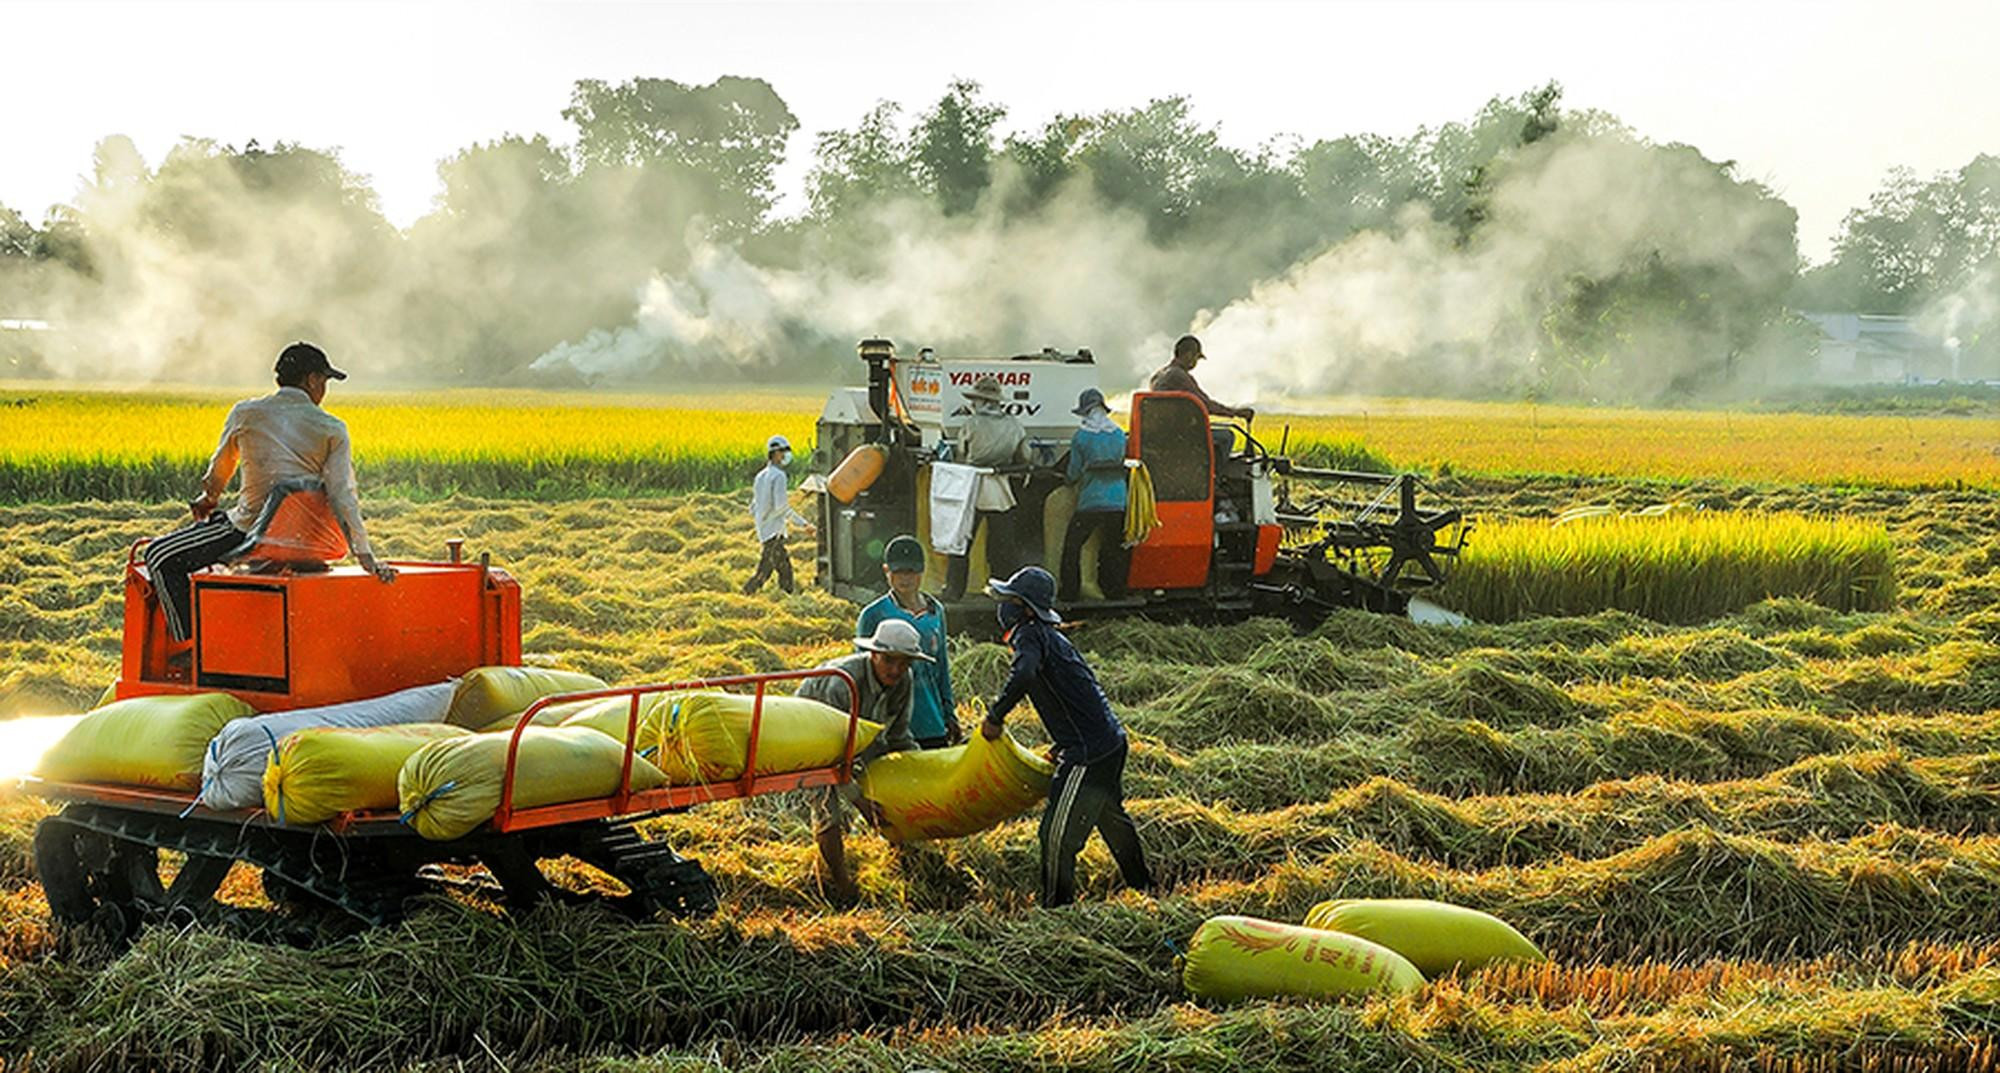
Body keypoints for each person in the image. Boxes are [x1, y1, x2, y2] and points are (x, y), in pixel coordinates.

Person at [143, 341, 395, 645]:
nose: (324, 389)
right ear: (312, 379)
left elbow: (218, 472)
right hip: (305, 541)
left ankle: (191, 647)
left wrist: (208, 500)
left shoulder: (246, 413)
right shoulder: (332, 428)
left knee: (158, 556)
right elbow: (343, 494)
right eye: (325, 381)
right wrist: (364, 554)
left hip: (248, 532)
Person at [979, 566, 1153, 907]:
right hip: (1109, 742)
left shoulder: (1029, 634)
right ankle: (1145, 888)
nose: (1004, 607)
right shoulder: (1054, 638)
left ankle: (1057, 910)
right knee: (1112, 820)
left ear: (1026, 608)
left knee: (1056, 836)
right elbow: (1075, 696)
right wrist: (1061, 743)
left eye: (1012, 600)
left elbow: (1025, 673)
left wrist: (995, 716)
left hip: (1088, 753)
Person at [796, 618, 930, 905]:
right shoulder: (843, 683)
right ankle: (842, 886)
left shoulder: (902, 682)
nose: (895, 670)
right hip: (812, 737)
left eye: (904, 663)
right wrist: (859, 800)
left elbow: (897, 735)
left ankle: (902, 857)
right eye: (889, 660)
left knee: (896, 788)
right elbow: (833, 756)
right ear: (874, 654)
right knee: (827, 805)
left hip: (862, 736)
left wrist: (922, 767)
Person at [855, 534, 959, 749]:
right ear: (886, 571)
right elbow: (864, 674)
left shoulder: (935, 611)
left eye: (911, 572)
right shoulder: (874, 614)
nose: (905, 578)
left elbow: (941, 665)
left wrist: (949, 713)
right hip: (890, 723)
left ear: (922, 572)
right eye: (898, 572)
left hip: (931, 720)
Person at [943, 374, 1031, 600]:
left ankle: (954, 590)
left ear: (981, 401)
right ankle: (1004, 591)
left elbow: (961, 455)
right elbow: (1025, 457)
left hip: (972, 487)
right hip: (1000, 489)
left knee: (962, 542)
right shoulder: (1015, 425)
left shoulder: (971, 424)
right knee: (1002, 546)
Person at [1058, 388, 1130, 603]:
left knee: (1072, 546)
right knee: (1112, 548)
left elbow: (1074, 471)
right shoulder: (1118, 434)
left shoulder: (1082, 437)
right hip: (1118, 500)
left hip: (1092, 501)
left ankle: (1070, 592)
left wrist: (1067, 481)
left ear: (1086, 412)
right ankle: (1114, 592)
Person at [743, 434, 814, 595]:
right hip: (773, 533)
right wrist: (804, 524)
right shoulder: (779, 476)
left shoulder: (760, 475)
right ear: (775, 453)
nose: (786, 455)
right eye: (783, 451)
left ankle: (783, 596)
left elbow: (753, 506)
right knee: (769, 572)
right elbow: (782, 507)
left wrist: (762, 520)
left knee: (781, 570)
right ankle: (747, 593)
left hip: (765, 530)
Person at [1147, 334, 1254, 421]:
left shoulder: (1157, 376)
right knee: (1227, 436)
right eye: (1197, 358)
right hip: (1179, 434)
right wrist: (1235, 412)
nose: (1196, 363)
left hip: (1162, 433)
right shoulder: (1179, 376)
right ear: (1189, 355)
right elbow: (1205, 405)